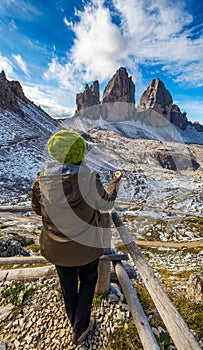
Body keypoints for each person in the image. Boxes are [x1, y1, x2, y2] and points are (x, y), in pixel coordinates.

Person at [31, 129, 122, 346]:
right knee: (89, 280)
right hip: (86, 247)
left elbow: (37, 209)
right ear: (79, 154)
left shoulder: (41, 181)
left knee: (67, 283)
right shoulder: (88, 180)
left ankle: (74, 322)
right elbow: (106, 204)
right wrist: (115, 182)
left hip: (57, 247)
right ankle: (80, 327)